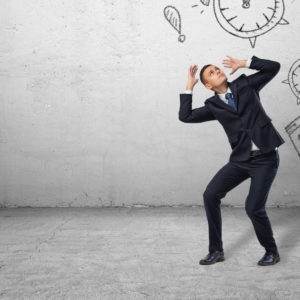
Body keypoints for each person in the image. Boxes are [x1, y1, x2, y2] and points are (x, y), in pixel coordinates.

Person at [178, 55, 285, 266]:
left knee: (253, 208)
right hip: (241, 160)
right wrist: (189, 86)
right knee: (210, 195)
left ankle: (271, 251)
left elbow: (274, 67)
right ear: (208, 85)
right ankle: (216, 250)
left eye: (217, 68)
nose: (217, 71)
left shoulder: (246, 85)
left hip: (265, 159)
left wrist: (245, 63)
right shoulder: (213, 106)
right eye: (211, 73)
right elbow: (186, 116)